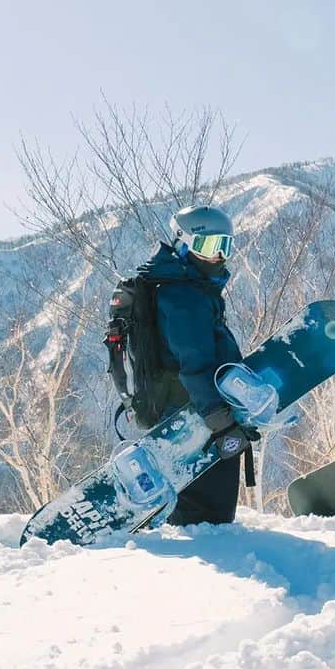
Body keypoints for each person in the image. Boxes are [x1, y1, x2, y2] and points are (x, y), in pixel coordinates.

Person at [133, 204, 248, 526]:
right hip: (195, 415)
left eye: (224, 246)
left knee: (200, 510)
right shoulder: (184, 296)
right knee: (205, 515)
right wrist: (220, 420)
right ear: (183, 243)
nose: (218, 256)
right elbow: (194, 362)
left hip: (193, 410)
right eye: (209, 247)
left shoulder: (187, 288)